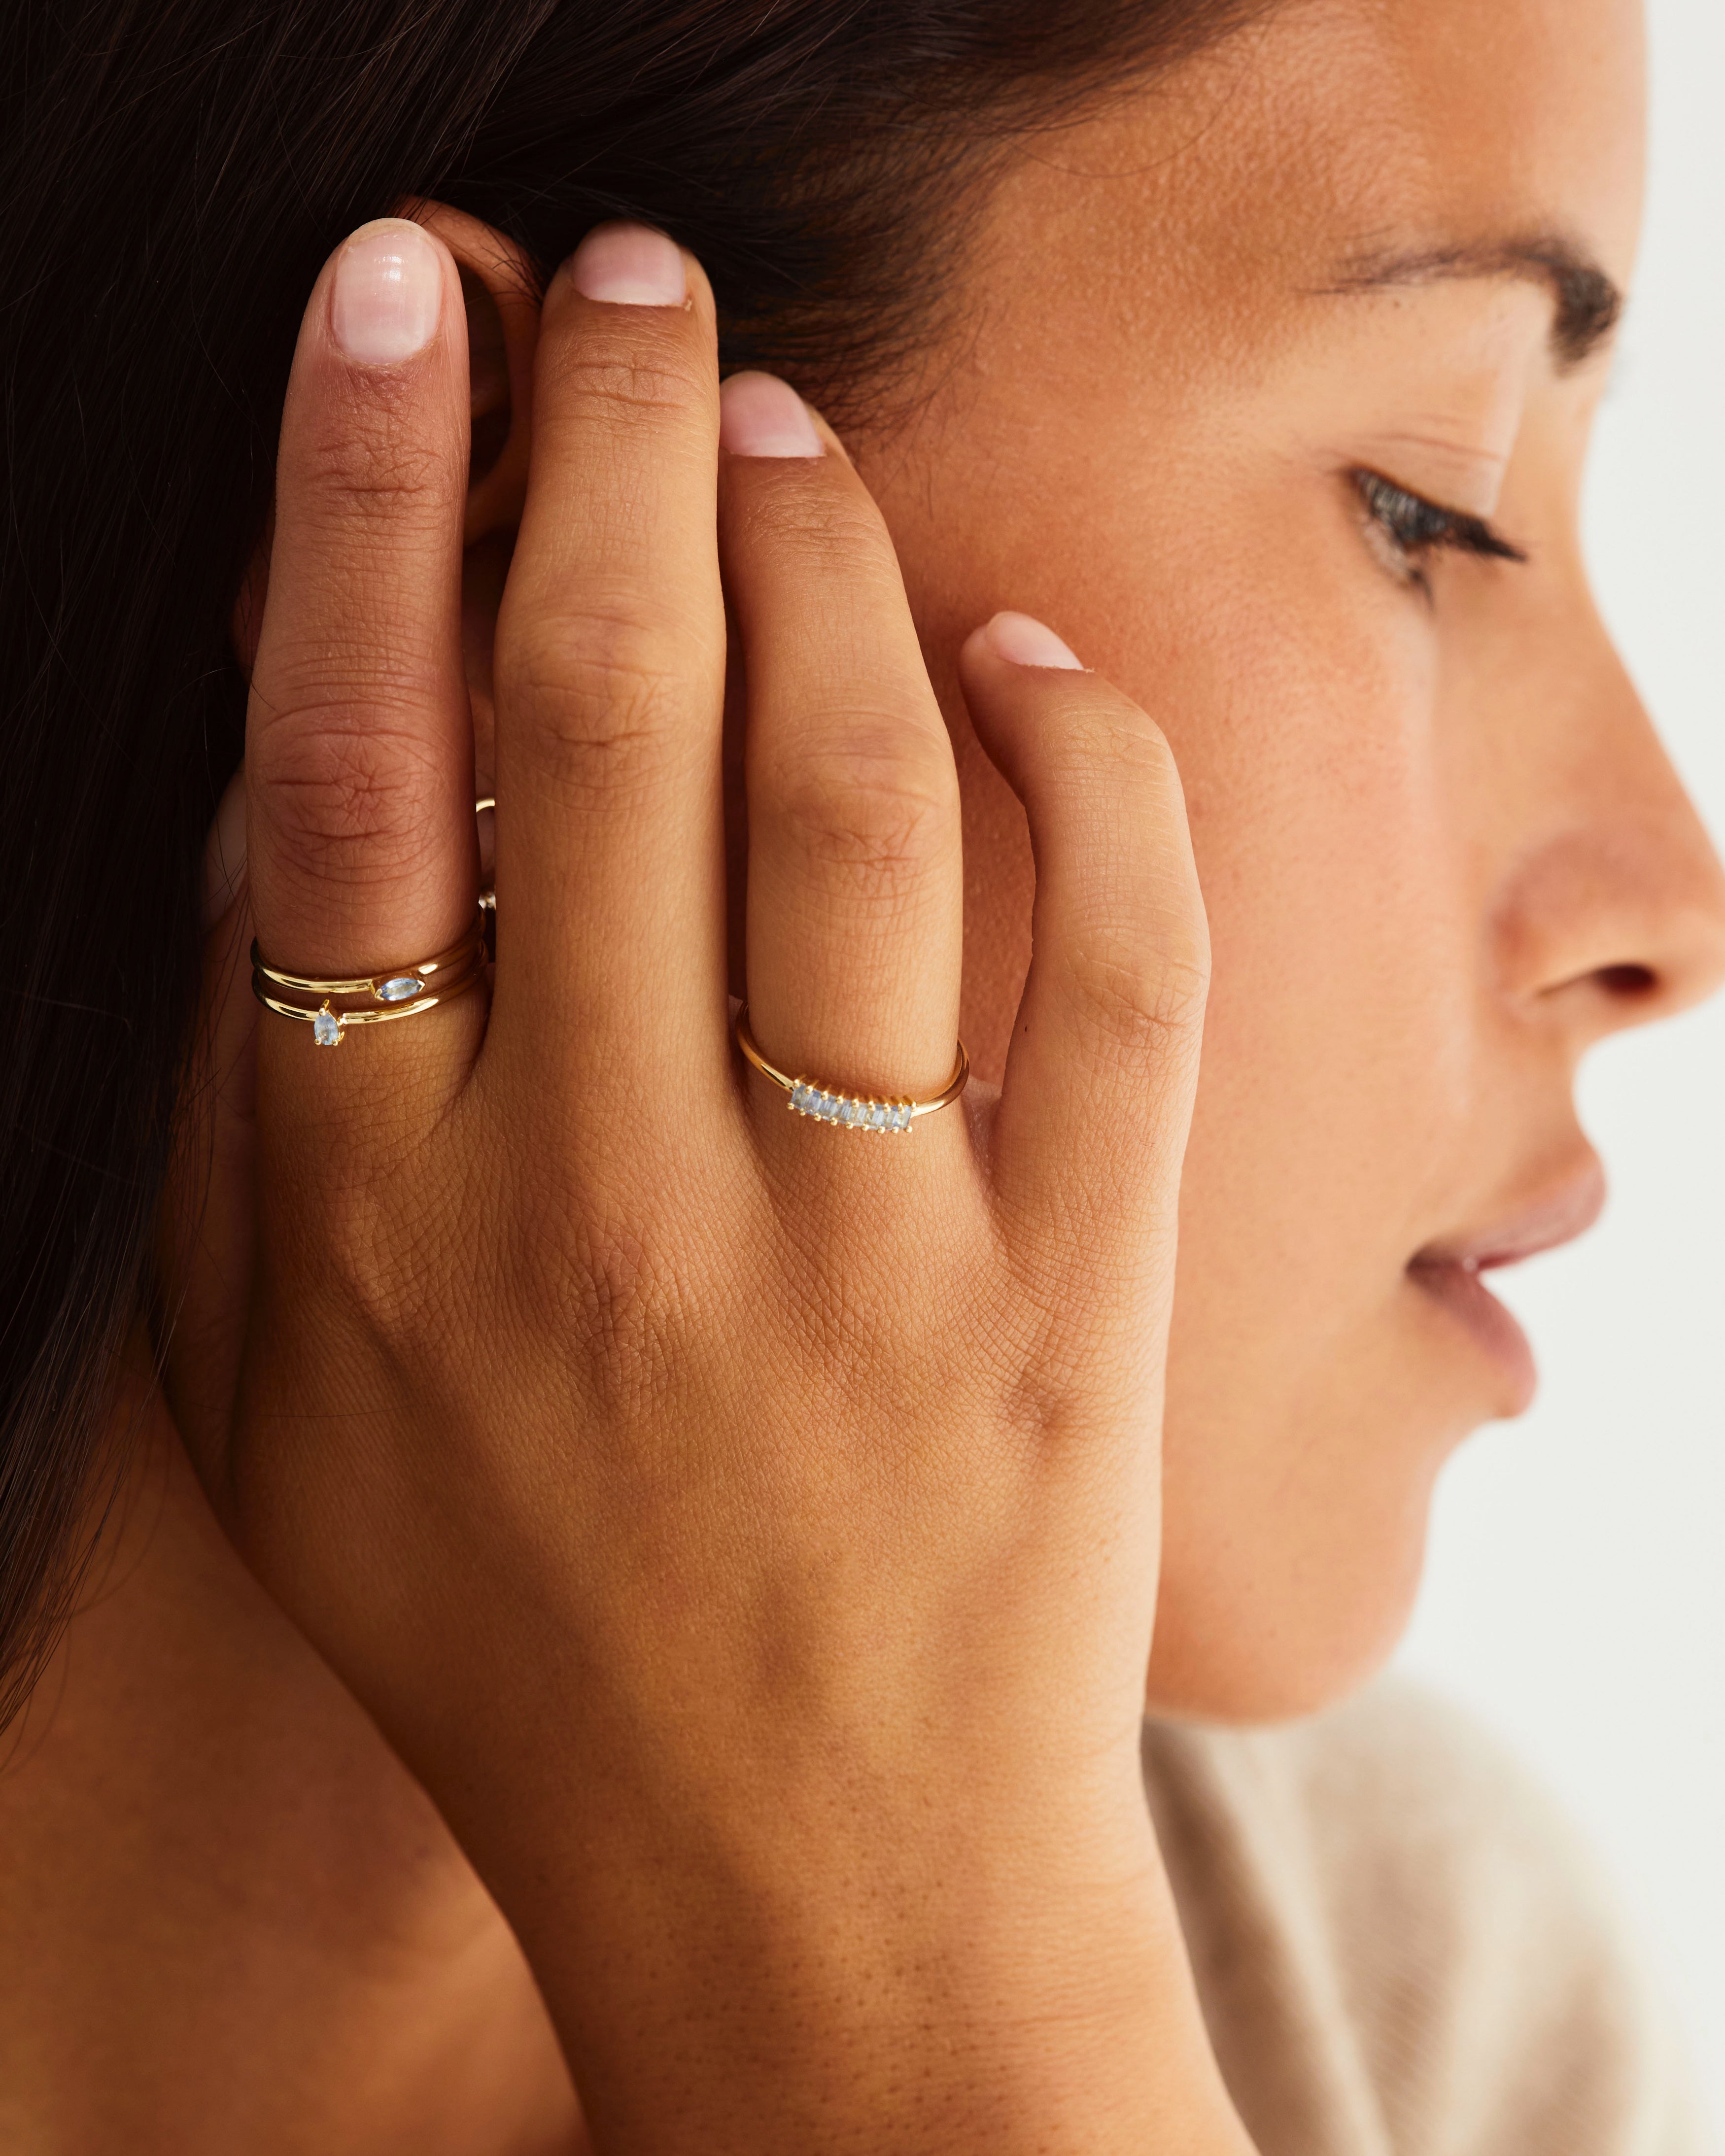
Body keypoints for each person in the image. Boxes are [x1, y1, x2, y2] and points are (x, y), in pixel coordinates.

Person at [1, 0, 1721, 2146]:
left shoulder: (1438, 2028)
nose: (1675, 907)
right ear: (494, 519)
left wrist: (935, 1986)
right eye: (1424, 510)